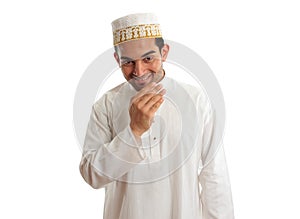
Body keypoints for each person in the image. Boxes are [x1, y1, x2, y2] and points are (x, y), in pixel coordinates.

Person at [79, 13, 234, 219]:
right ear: (117, 59)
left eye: (148, 58)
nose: (139, 71)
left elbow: (214, 176)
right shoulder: (106, 105)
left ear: (164, 52)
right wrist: (134, 131)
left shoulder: (196, 101)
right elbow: (92, 175)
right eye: (128, 62)